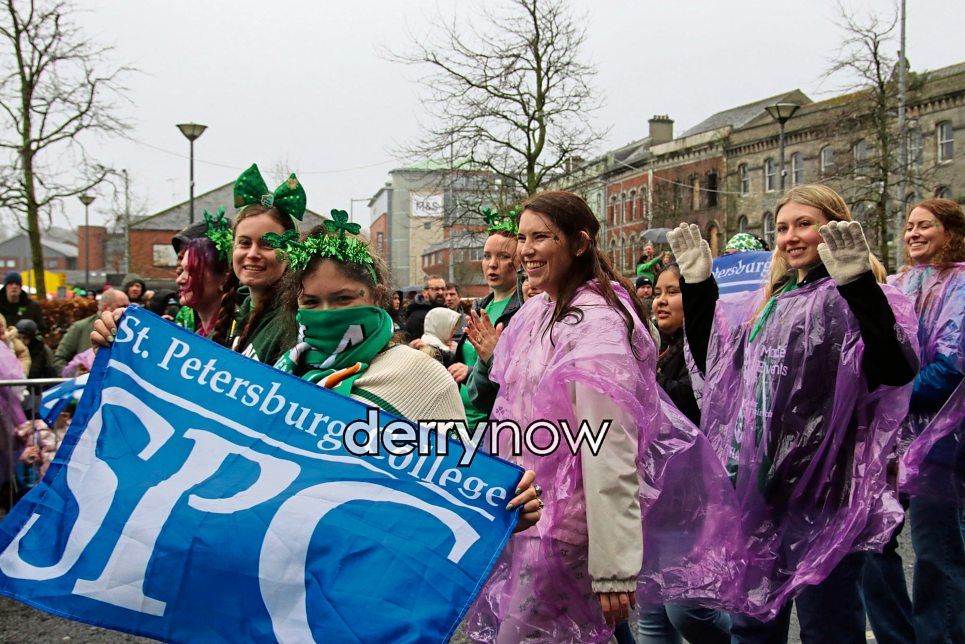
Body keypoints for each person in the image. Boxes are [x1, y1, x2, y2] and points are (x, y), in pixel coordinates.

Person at [667, 184, 918, 643]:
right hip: (763, 485)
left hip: (826, 490)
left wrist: (859, 286)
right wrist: (698, 287)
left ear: (834, 228)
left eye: (804, 224)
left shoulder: (848, 296)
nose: (790, 236)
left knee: (828, 625)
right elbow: (719, 369)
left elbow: (895, 368)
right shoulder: (773, 301)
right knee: (752, 622)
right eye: (782, 227)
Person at [467, 191, 656, 642]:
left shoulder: (596, 325)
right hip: (528, 512)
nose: (525, 250)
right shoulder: (540, 312)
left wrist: (614, 565)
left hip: (565, 526)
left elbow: (609, 444)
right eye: (522, 238)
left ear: (579, 243)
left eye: (541, 237)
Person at [879, 198, 964, 644]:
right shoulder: (899, 282)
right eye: (909, 225)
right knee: (871, 541)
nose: (912, 232)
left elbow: (952, 367)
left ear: (950, 232)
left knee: (937, 551)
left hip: (943, 440)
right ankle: (897, 635)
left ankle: (940, 637)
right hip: (892, 440)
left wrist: (889, 398)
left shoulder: (961, 285)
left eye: (924, 225)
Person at [637, 263, 731, 643]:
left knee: (688, 610)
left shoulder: (705, 352)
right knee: (652, 615)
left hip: (690, 498)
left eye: (672, 292)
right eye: (658, 292)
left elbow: (686, 403)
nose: (660, 300)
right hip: (651, 497)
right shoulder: (654, 349)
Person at [209, 163, 304, 364]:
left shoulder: (295, 322)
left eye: (268, 244)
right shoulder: (237, 311)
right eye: (244, 243)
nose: (252, 254)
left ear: (291, 252)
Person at [454, 210, 524, 428]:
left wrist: (469, 373)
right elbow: (471, 357)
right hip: (460, 419)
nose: (492, 264)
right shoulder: (481, 306)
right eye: (487, 256)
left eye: (503, 257)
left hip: (493, 425)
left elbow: (519, 378)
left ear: (520, 262)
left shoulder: (524, 309)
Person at [172, 208, 233, 337]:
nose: (179, 279)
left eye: (192, 269)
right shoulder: (187, 320)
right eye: (180, 259)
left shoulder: (238, 332)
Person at [54, 288, 129, 375]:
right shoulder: (80, 327)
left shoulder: (130, 328)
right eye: (122, 306)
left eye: (128, 307)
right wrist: (74, 373)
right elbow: (59, 360)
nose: (126, 310)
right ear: (105, 307)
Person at [404, 275, 447, 342]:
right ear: (425, 292)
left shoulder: (446, 313)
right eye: (436, 289)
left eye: (443, 289)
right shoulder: (417, 316)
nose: (440, 292)